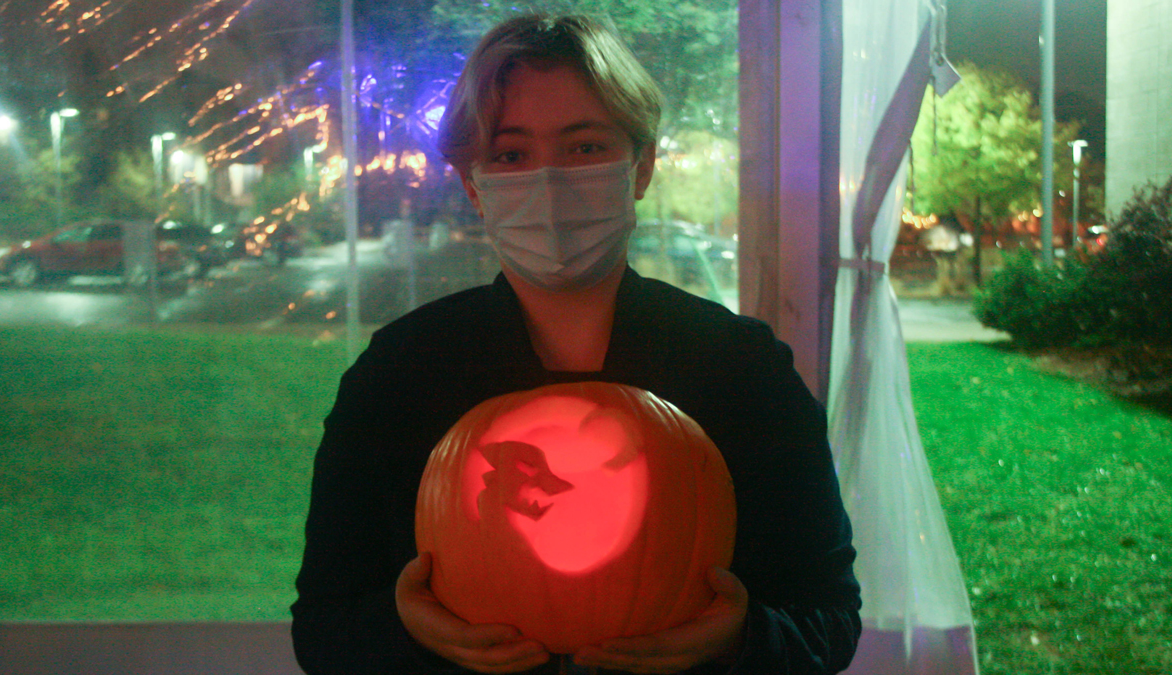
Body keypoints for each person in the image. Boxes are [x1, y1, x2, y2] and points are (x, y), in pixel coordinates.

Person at [292, 14, 861, 675]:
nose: (549, 180)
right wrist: (407, 628)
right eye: (510, 154)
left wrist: (740, 639)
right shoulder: (397, 375)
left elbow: (829, 620)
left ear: (641, 167)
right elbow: (322, 630)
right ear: (475, 186)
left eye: (585, 147)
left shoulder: (743, 369)